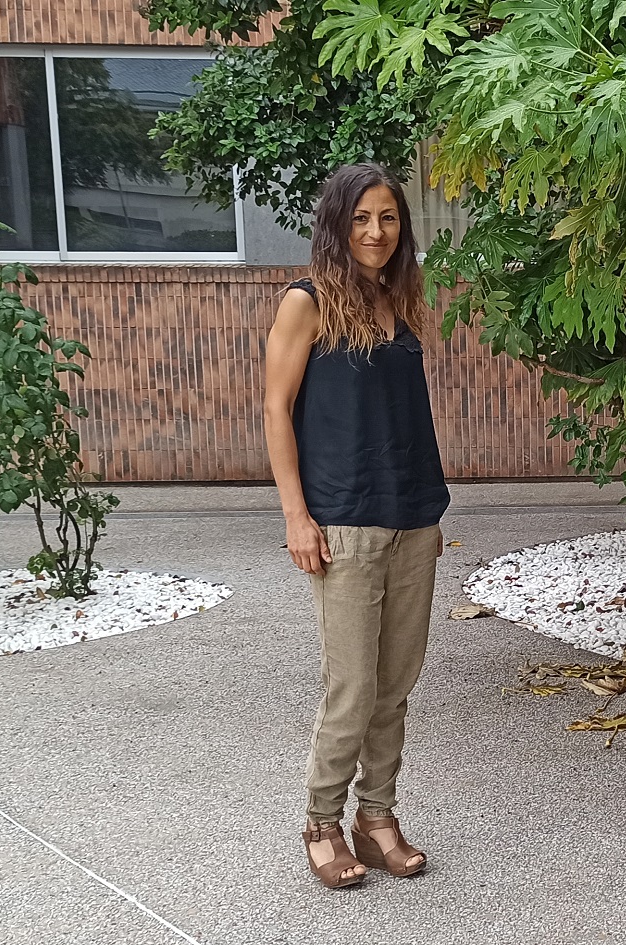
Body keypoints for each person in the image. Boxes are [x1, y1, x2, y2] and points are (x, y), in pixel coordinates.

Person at [263, 163, 450, 889]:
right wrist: (296, 515)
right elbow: (276, 410)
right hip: (343, 523)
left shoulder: (398, 300)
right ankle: (320, 823)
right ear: (337, 224)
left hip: (411, 518)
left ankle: (377, 820)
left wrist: (427, 514)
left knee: (395, 684)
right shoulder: (306, 303)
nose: (376, 231)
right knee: (353, 688)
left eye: (389, 217)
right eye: (362, 218)